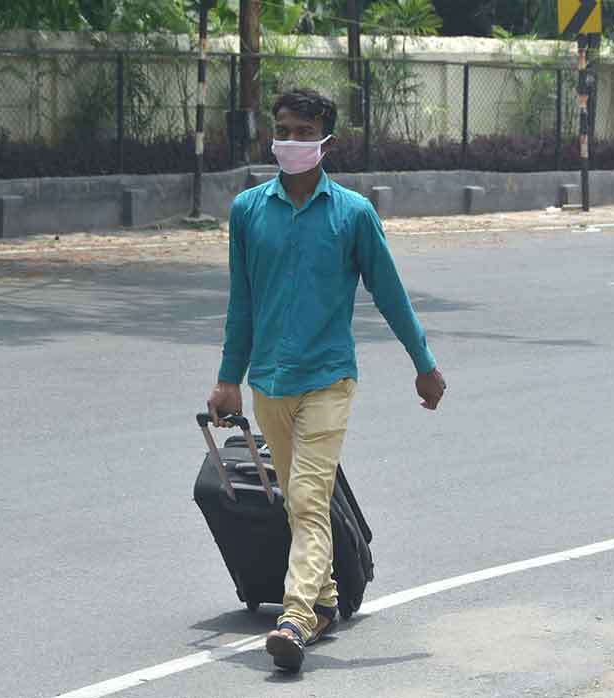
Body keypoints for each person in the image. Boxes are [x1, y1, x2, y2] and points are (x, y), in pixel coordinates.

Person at [206, 88, 447, 672]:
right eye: (283, 129)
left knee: (309, 499)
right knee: (297, 501)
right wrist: (227, 379)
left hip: (329, 379)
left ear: (325, 142)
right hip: (269, 383)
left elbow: (388, 293)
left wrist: (424, 363)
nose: (291, 141)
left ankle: (295, 617)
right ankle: (328, 598)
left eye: (304, 132)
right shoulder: (248, 211)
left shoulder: (353, 214)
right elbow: (242, 305)